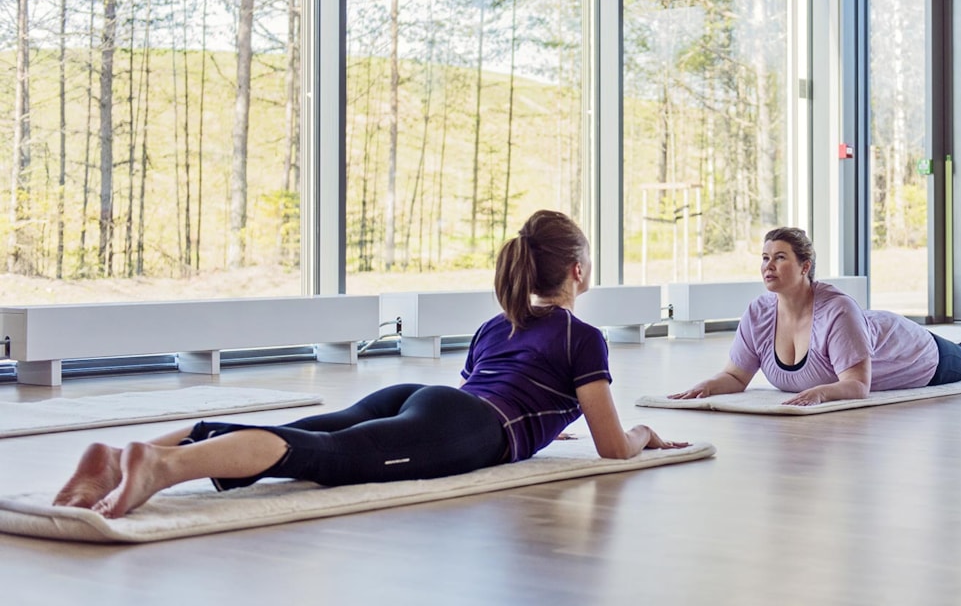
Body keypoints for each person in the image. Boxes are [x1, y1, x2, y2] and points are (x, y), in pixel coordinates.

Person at [54, 210, 687, 519]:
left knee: (317, 429)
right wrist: (645, 432)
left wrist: (552, 421)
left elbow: (505, 388)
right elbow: (613, 448)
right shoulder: (582, 335)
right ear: (579, 270)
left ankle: (118, 458)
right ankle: (161, 467)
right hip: (464, 427)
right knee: (319, 457)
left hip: (423, 398)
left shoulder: (500, 323)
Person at [667, 227, 961, 407]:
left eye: (780, 257)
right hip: (872, 332)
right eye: (765, 258)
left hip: (911, 352)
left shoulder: (836, 310)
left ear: (805, 267)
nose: (769, 266)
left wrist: (820, 392)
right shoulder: (759, 312)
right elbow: (736, 376)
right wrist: (708, 387)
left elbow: (856, 386)